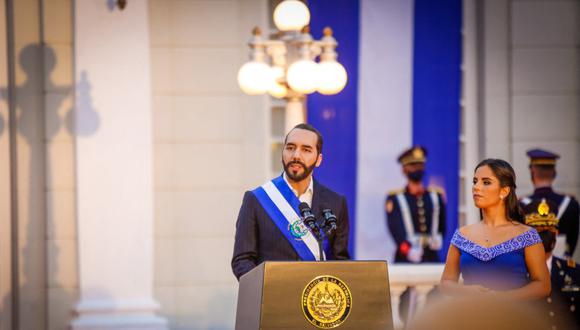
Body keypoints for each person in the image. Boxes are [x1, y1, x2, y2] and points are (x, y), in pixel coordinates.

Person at [231, 123, 350, 280]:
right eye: (290, 148)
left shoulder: (335, 203)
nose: (296, 155)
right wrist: (266, 288)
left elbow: (340, 261)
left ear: (318, 159)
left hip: (316, 300)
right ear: (282, 153)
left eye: (306, 150)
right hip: (273, 299)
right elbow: (242, 260)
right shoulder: (256, 199)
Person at [440, 158, 550, 299]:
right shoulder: (461, 235)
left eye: (486, 182)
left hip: (513, 318)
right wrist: (467, 291)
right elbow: (445, 282)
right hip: (469, 317)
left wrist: (502, 298)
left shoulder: (527, 236)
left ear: (504, 191)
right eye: (475, 181)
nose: (476, 187)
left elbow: (543, 286)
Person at [523, 198, 579, 328]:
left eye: (548, 230)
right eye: (537, 231)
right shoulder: (514, 274)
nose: (544, 237)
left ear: (556, 233)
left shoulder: (575, 273)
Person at [386, 146, 446, 263]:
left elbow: (442, 227)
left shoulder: (436, 196)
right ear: (404, 170)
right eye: (413, 166)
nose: (417, 169)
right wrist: (408, 251)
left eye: (420, 165)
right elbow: (395, 230)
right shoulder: (395, 199)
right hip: (406, 258)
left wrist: (437, 240)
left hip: (432, 257)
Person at [520, 148, 579, 257]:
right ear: (554, 173)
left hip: (531, 267)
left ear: (532, 172)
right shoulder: (571, 204)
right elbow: (572, 241)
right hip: (563, 267)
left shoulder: (520, 205)